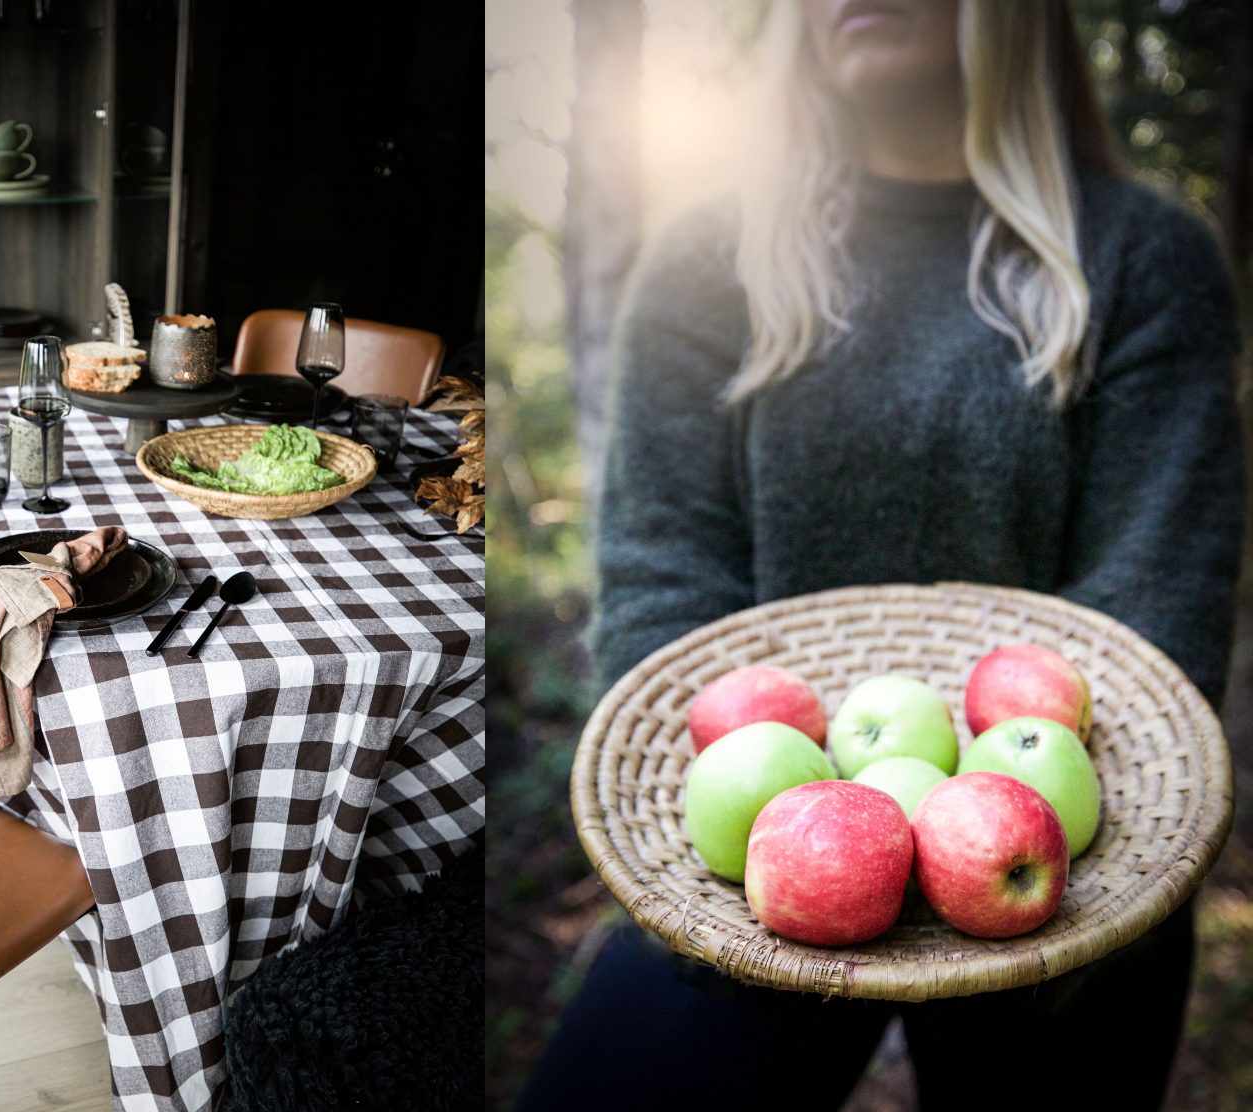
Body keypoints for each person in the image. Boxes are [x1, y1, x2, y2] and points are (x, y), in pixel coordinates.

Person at [516, 1, 1241, 1109]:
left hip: (1068, 885)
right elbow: (666, 570)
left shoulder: (1144, 262)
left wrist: (982, 843)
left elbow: (1152, 603)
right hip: (763, 862)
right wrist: (784, 856)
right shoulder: (709, 262)